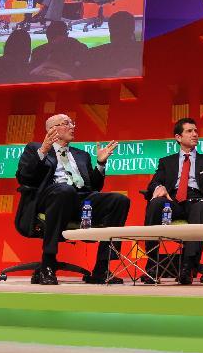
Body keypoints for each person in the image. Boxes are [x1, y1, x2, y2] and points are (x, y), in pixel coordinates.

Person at [15, 114, 130, 285]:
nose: (72, 127)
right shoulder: (35, 148)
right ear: (53, 129)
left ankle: (101, 268)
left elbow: (95, 187)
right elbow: (24, 177)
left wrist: (100, 164)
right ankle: (48, 263)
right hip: (51, 198)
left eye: (72, 123)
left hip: (80, 199)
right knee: (64, 190)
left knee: (119, 200)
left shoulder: (81, 155)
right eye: (67, 123)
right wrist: (43, 151)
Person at [143, 118, 203, 284]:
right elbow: (154, 182)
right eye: (189, 131)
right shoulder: (166, 162)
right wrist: (158, 187)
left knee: (201, 207)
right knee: (155, 203)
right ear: (178, 137)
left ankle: (187, 267)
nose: (195, 134)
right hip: (172, 201)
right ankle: (152, 264)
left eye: (196, 131)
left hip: (197, 200)